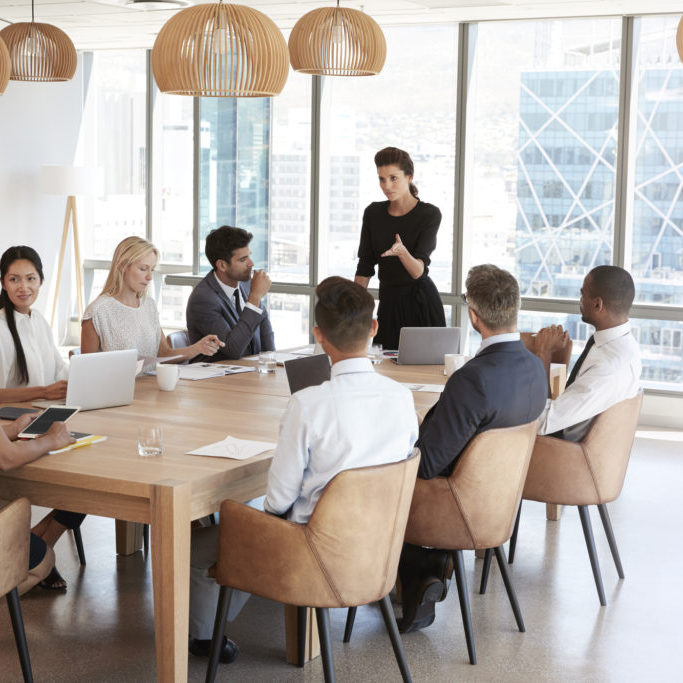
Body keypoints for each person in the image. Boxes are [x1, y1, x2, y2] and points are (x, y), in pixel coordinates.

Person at [187, 276, 418, 665]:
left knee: (197, 548)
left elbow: (277, 503)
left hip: (310, 554)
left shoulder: (309, 404)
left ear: (318, 335)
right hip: (379, 548)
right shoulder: (401, 397)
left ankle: (204, 640)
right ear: (374, 327)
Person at [398, 264, 548, 633]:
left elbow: (428, 463)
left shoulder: (473, 379)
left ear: (474, 316)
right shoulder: (534, 368)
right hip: (498, 503)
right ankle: (426, 571)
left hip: (453, 504)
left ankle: (418, 570)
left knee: (376, 479)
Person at [0, 245, 86, 589]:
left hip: (28, 419)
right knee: (45, 562)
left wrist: (81, 373)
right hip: (11, 421)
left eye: (31, 279)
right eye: (14, 279)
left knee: (82, 475)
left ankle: (33, 542)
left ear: (41, 281)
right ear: (2, 283)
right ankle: (32, 551)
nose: (24, 287)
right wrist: (42, 394)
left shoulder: (38, 320)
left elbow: (56, 372)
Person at [533, 265, 642, 442]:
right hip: (560, 425)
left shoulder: (608, 366)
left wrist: (543, 354)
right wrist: (556, 360)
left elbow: (542, 422)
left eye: (583, 294)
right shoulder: (621, 345)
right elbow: (564, 400)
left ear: (598, 304)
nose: (580, 300)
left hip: (556, 446)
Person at [354, 146, 446, 350]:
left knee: (423, 372)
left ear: (409, 177)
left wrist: (402, 253)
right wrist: (353, 308)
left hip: (421, 304)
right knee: (384, 368)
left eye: (393, 178)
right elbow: (365, 265)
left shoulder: (429, 214)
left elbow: (418, 272)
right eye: (381, 179)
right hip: (388, 302)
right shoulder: (373, 213)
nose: (387, 185)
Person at [81, 236, 223, 362]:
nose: (149, 277)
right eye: (143, 269)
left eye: (152, 270)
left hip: (153, 388)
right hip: (118, 391)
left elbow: (164, 354)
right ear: (122, 266)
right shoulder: (98, 312)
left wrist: (198, 347)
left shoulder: (148, 305)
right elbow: (86, 372)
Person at [186, 226, 274, 360]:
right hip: (218, 377)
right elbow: (232, 349)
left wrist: (273, 362)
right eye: (243, 259)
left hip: (250, 373)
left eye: (249, 256)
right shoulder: (203, 299)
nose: (251, 263)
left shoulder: (245, 284)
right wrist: (255, 297)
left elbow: (264, 331)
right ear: (222, 265)